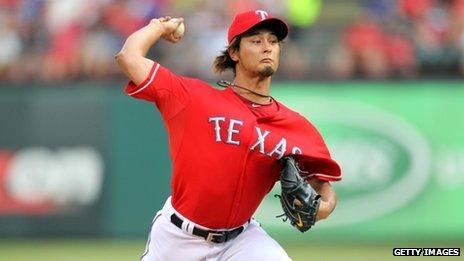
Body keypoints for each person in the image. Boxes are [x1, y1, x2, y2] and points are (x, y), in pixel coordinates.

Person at [116, 10, 341, 261]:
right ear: (234, 53)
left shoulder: (296, 127)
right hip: (178, 238)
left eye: (273, 41)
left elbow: (323, 184)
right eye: (256, 41)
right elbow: (129, 57)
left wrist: (323, 208)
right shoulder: (193, 99)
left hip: (242, 241)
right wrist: (159, 27)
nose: (267, 47)